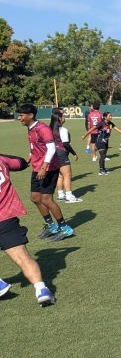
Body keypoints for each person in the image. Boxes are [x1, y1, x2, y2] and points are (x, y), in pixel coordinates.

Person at [0, 153, 57, 306]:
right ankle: (41, 290)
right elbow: (21, 163)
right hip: (7, 218)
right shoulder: (2, 160)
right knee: (24, 258)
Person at [16, 103, 74, 242]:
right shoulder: (30, 128)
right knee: (35, 198)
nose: (20, 118)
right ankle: (51, 226)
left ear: (30, 115)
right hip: (37, 168)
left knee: (46, 199)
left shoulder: (42, 128)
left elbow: (52, 148)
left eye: (22, 115)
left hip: (48, 169)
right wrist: (31, 155)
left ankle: (65, 228)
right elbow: (35, 145)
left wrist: (44, 166)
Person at [49, 109, 82, 204]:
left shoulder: (49, 129)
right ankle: (69, 196)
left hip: (53, 154)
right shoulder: (62, 130)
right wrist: (74, 153)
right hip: (61, 153)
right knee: (67, 175)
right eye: (63, 116)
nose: (64, 118)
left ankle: (60, 194)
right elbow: (66, 144)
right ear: (59, 118)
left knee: (60, 175)